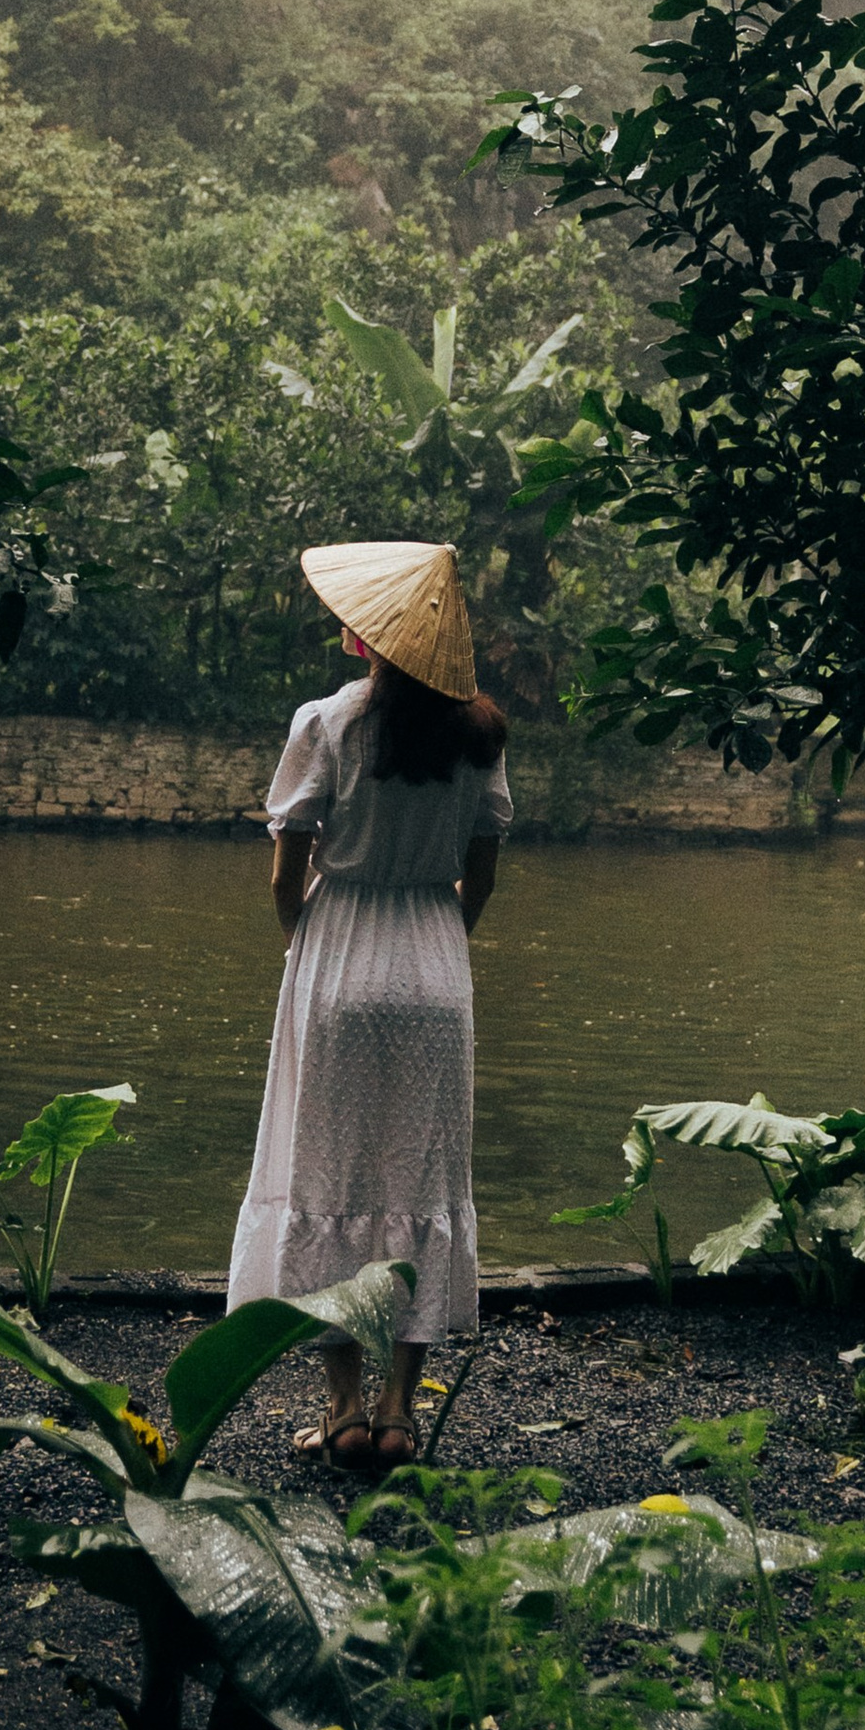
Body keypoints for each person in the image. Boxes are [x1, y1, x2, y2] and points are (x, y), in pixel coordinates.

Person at [225, 538, 509, 1473]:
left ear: (371, 636)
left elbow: (286, 866)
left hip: (339, 952)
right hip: (434, 962)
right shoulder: (480, 737)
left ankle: (343, 1405)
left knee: (328, 1177)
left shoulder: (325, 724)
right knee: (422, 1179)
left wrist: (303, 937)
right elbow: (482, 875)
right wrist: (434, 944)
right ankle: (400, 1408)